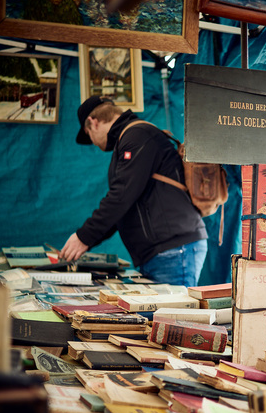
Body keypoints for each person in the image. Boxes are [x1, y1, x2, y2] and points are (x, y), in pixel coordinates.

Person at [60, 96, 208, 287]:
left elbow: (121, 196)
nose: (93, 143)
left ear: (93, 122)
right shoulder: (130, 138)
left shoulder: (137, 135)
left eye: (88, 134)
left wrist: (83, 237)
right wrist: (87, 240)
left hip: (172, 249)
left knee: (175, 317)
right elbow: (124, 203)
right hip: (162, 252)